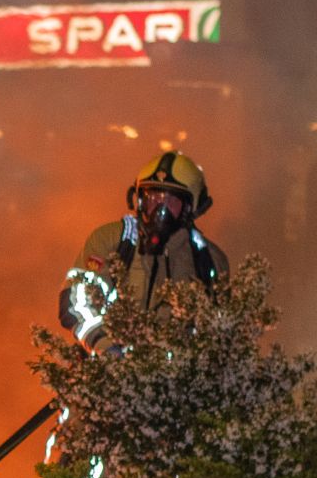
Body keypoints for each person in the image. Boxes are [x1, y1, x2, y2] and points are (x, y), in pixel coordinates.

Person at [58, 149, 228, 353]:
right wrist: (107, 348)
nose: (160, 210)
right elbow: (76, 302)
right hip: (106, 367)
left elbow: (218, 331)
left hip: (176, 372)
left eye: (171, 202)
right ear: (138, 200)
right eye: (152, 198)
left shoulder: (208, 260)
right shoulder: (113, 241)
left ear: (191, 208)